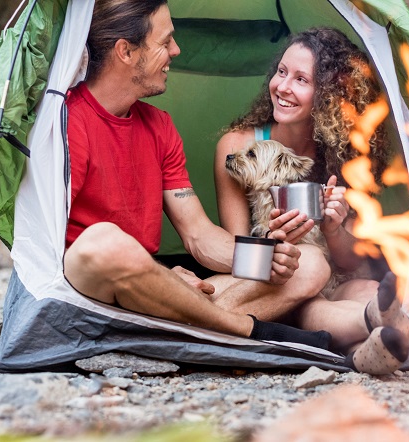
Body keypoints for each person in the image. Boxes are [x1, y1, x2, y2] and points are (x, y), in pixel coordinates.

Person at [61, 0, 333, 351]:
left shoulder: (159, 128)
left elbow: (199, 236)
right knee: (105, 242)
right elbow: (51, 247)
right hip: (91, 287)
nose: (176, 51)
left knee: (308, 264)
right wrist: (155, 277)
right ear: (125, 51)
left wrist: (268, 259)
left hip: (156, 290)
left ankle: (166, 330)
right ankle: (242, 328)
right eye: (165, 42)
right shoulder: (67, 119)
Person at [214, 27, 409, 374]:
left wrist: (335, 229)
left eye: (301, 79)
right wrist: (274, 245)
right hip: (276, 283)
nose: (283, 87)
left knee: (367, 287)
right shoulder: (238, 147)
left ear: (329, 96)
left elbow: (351, 260)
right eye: (281, 72)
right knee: (309, 280)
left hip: (335, 278)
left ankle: (370, 348)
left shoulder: (346, 158)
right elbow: (235, 253)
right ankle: (382, 334)